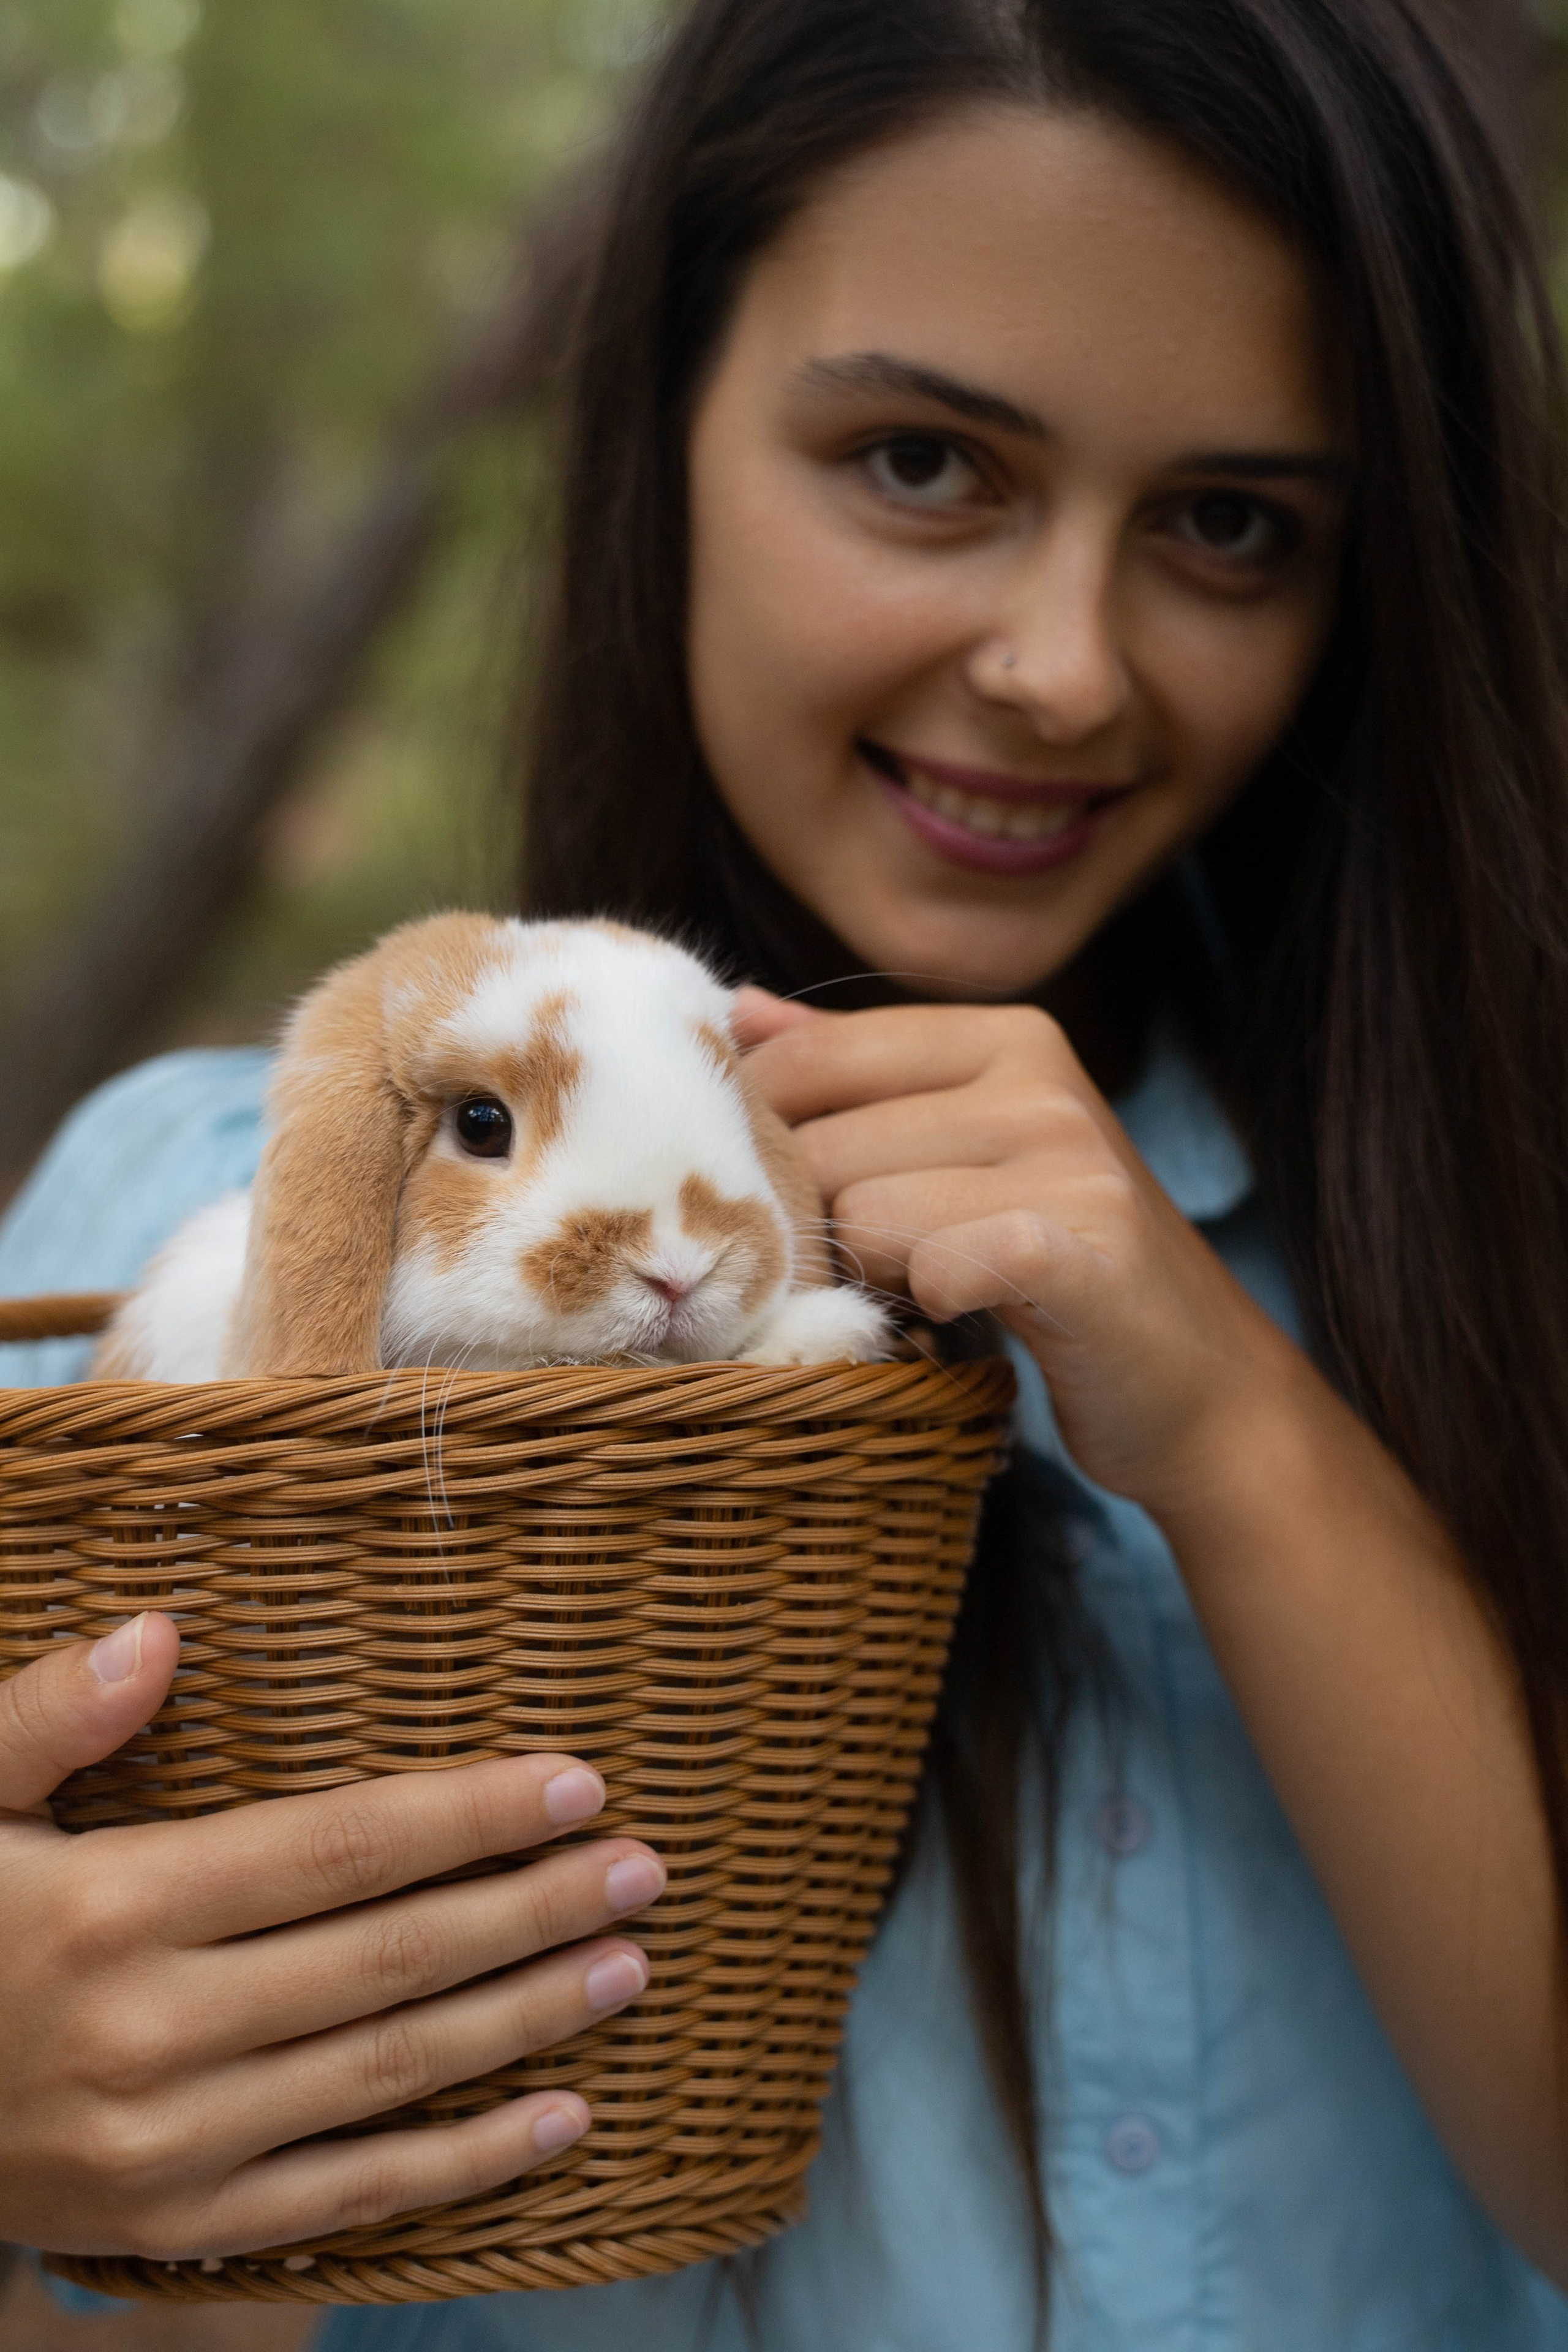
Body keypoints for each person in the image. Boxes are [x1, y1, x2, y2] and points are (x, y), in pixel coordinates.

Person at [2, 0, 1567, 2342]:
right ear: (664, 422)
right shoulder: (198, 1227)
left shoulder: (1472, 1240)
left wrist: (1240, 1433)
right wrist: (78, 2126)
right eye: (925, 462)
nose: (1063, 669)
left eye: (1232, 525)